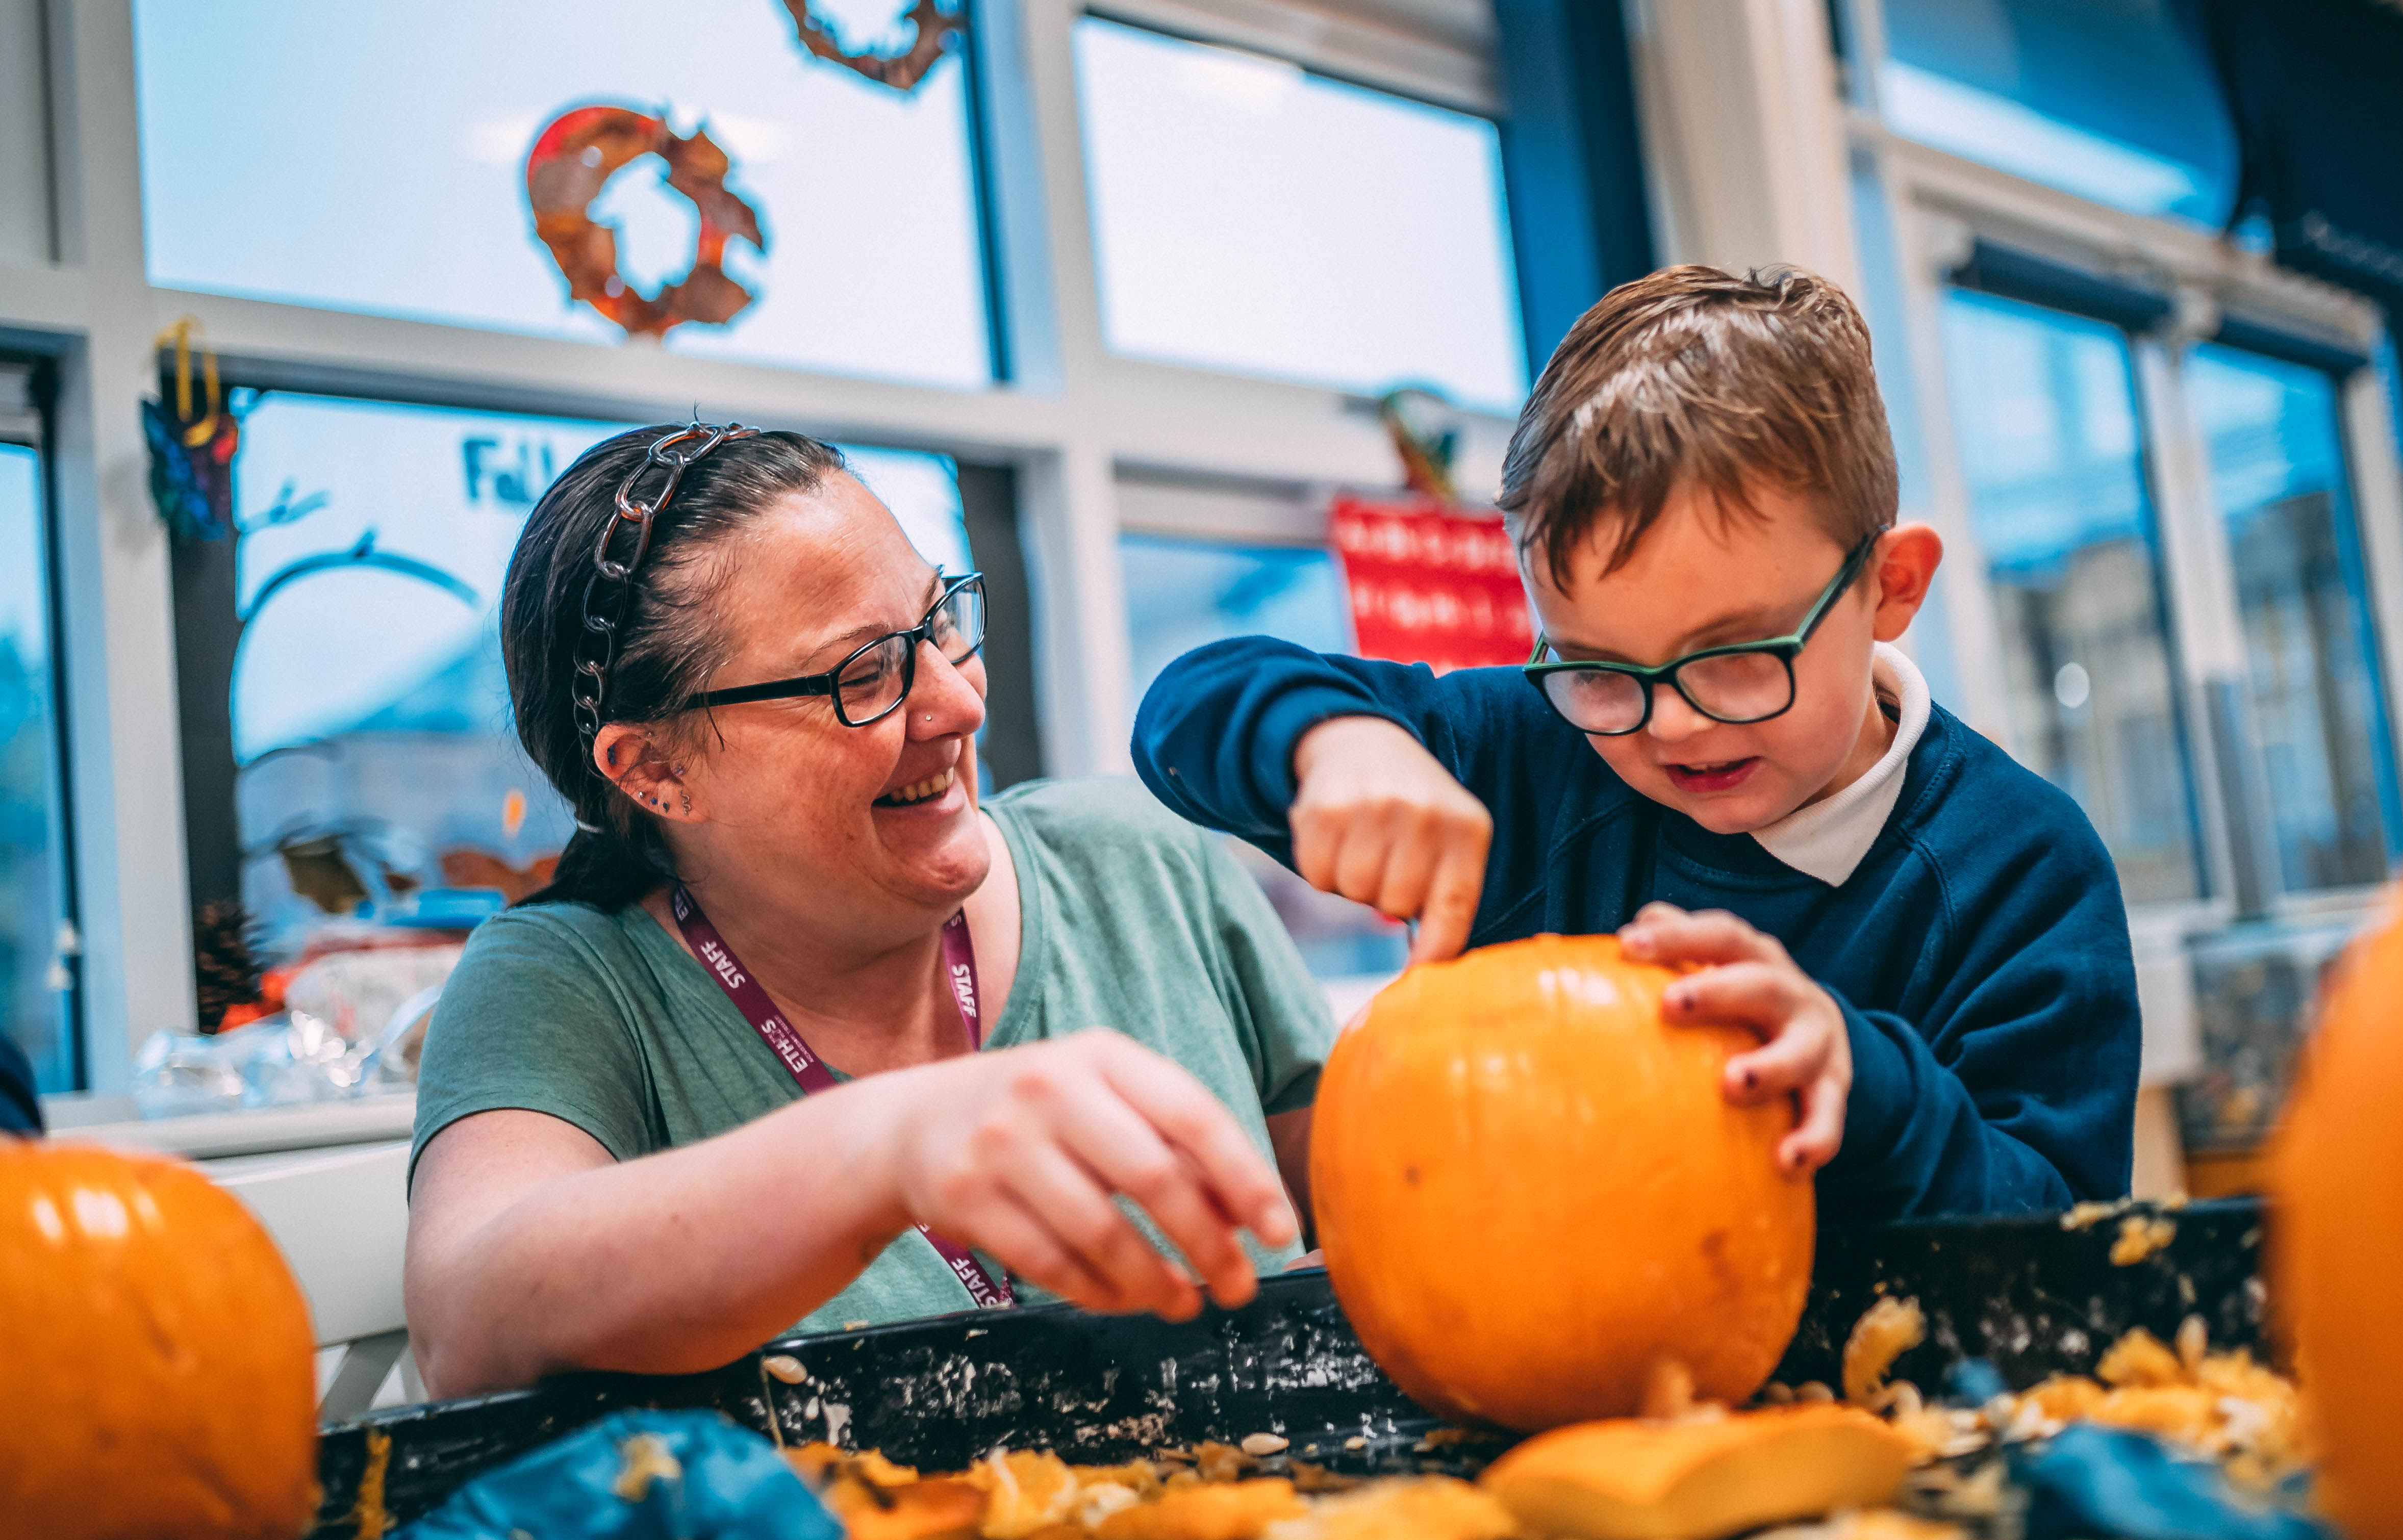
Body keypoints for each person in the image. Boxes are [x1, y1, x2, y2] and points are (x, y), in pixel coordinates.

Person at [1133, 265, 2140, 1226]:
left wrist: (1861, 1082)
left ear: (1890, 588)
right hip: (1524, 1372)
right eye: (1600, 668)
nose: (1670, 724)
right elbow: (1186, 708)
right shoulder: (1528, 752)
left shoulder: (2018, 865)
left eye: (1737, 656)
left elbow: (2063, 1236)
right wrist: (1332, 739)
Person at [406, 423, 1329, 1400]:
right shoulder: (565, 982)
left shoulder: (1145, 865)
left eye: (940, 625)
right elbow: (470, 1323)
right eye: (864, 675)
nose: (958, 704)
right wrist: (886, 1147)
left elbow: (1384, 1236)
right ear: (659, 771)